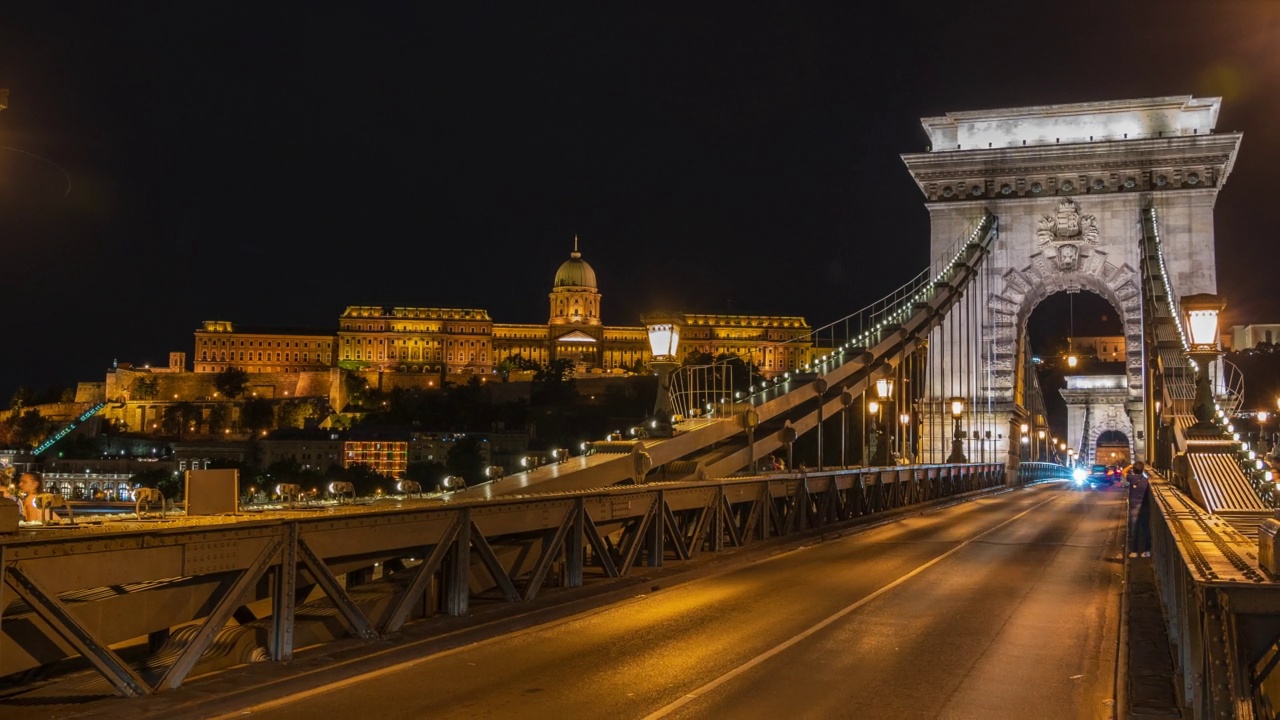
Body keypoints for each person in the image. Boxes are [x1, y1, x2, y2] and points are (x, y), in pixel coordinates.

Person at [1127, 461, 1151, 558]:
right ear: (1142, 470)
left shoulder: (1131, 478)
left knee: (1134, 530)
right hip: (1144, 506)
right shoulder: (1146, 480)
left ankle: (1134, 551)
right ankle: (1147, 551)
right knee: (1146, 529)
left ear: (1134, 469)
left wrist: (1129, 466)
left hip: (1134, 506)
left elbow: (1123, 472)